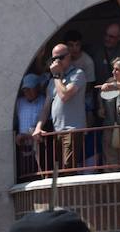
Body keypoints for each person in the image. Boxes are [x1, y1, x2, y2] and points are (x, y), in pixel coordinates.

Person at [32, 43, 86, 171]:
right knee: (57, 169)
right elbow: (46, 108)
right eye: (53, 59)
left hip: (72, 130)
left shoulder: (78, 74)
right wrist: (38, 128)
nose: (57, 62)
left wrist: (57, 75)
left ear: (69, 57)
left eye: (60, 58)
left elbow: (65, 95)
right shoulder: (52, 82)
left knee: (68, 168)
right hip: (57, 131)